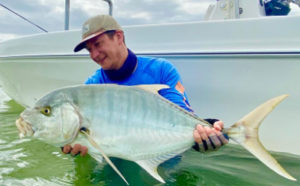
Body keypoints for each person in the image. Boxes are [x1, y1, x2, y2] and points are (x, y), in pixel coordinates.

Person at [62, 15, 228, 156]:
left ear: (119, 37)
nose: (94, 55)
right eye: (89, 50)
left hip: (166, 163)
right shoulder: (92, 86)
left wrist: (207, 129)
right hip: (116, 167)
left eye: (98, 44)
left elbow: (182, 116)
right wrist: (71, 141)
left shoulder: (161, 70)